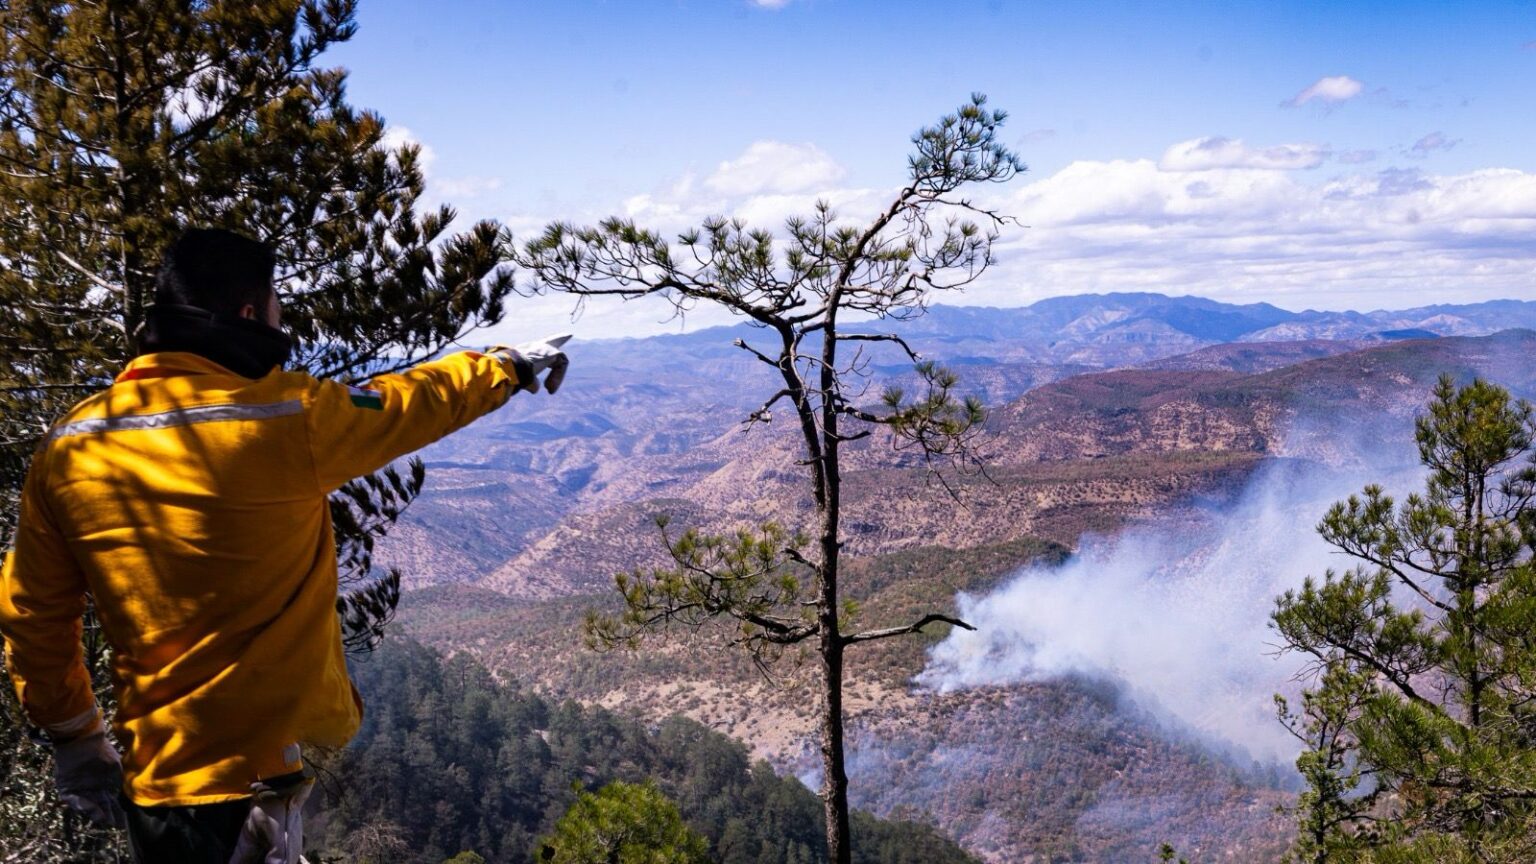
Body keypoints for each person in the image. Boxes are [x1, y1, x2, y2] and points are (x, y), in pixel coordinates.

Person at [0, 227, 569, 863]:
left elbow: (33, 616)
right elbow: (412, 402)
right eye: (276, 306)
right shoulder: (281, 419)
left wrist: (76, 735)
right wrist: (505, 366)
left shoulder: (67, 446)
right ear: (249, 314)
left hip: (158, 782)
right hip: (262, 784)